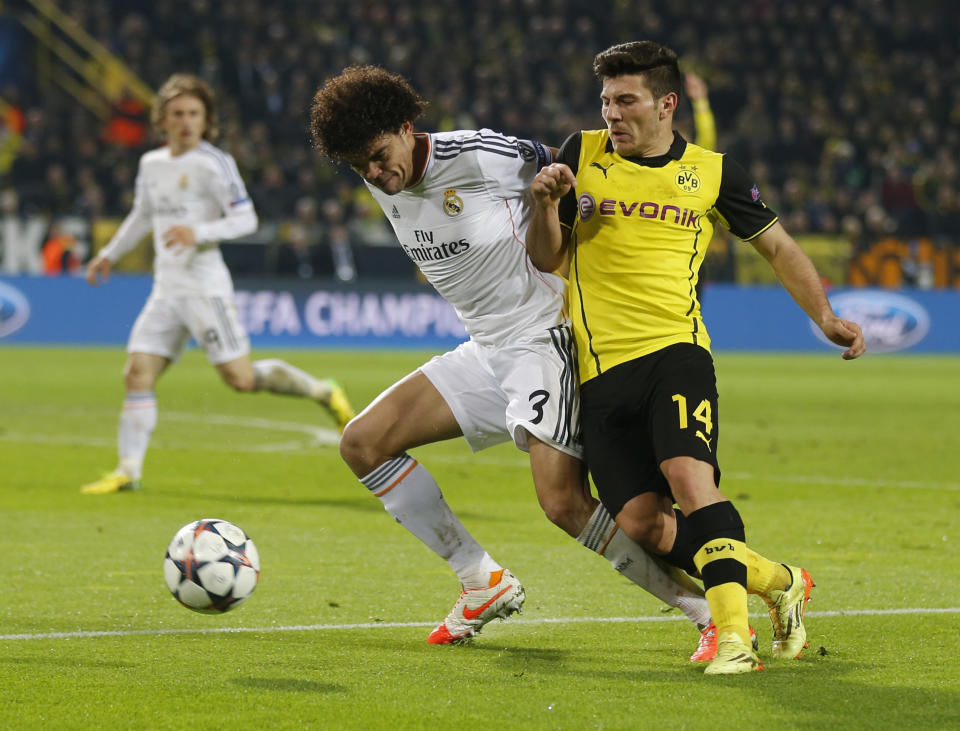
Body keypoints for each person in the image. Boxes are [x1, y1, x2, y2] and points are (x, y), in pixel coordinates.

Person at [309, 65, 716, 648]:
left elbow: (581, 166)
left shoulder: (480, 155)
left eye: (379, 156)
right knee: (363, 443)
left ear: (406, 126)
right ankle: (481, 580)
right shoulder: (382, 176)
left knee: (563, 504)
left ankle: (704, 608)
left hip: (545, 336)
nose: (375, 174)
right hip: (487, 347)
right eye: (360, 167)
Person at [526, 41, 865, 675]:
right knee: (642, 524)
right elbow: (548, 258)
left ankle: (734, 639)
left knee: (690, 479)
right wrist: (544, 206)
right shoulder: (582, 153)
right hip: (598, 370)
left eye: (626, 101)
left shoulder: (713, 173)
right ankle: (780, 579)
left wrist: (824, 316)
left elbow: (779, 248)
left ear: (666, 104)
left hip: (676, 351)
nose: (612, 115)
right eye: (605, 101)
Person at [81, 73, 355, 495]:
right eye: (177, 114)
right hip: (166, 289)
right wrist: (109, 255)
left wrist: (199, 231)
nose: (186, 122)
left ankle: (323, 391)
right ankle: (128, 471)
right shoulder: (151, 164)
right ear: (162, 120)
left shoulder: (213, 163)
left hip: (204, 288)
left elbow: (246, 218)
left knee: (241, 379)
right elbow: (142, 214)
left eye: (194, 113)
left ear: (206, 119)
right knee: (137, 372)